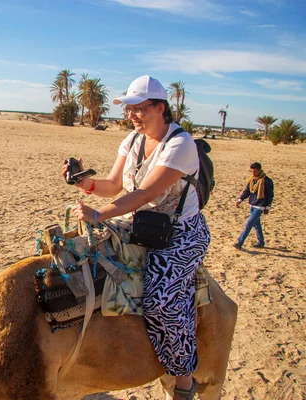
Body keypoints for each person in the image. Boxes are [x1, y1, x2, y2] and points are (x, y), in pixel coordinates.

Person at [65, 75, 208, 399]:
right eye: (128, 109)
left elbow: (144, 193)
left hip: (180, 233)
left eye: (138, 109)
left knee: (162, 301)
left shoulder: (180, 144)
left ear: (160, 108)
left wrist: (100, 214)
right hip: (139, 223)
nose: (130, 115)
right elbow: (115, 185)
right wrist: (82, 183)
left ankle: (183, 380)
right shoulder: (132, 141)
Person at [233, 162, 274, 250]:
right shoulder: (252, 179)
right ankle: (261, 242)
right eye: (252, 171)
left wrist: (268, 207)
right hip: (252, 204)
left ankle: (239, 243)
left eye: (255, 171)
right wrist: (240, 199)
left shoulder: (267, 181)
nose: (253, 173)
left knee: (249, 223)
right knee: (256, 225)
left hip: (260, 206)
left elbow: (270, 195)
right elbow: (247, 191)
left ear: (259, 170)